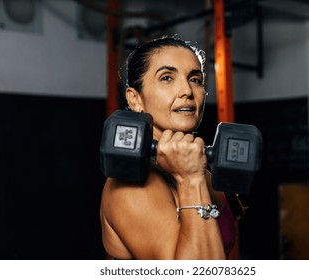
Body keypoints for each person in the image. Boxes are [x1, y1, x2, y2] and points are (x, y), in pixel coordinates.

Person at [100, 35, 238, 260]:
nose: (187, 90)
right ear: (135, 99)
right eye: (167, 78)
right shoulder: (131, 186)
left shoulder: (202, 171)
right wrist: (190, 180)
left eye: (195, 79)